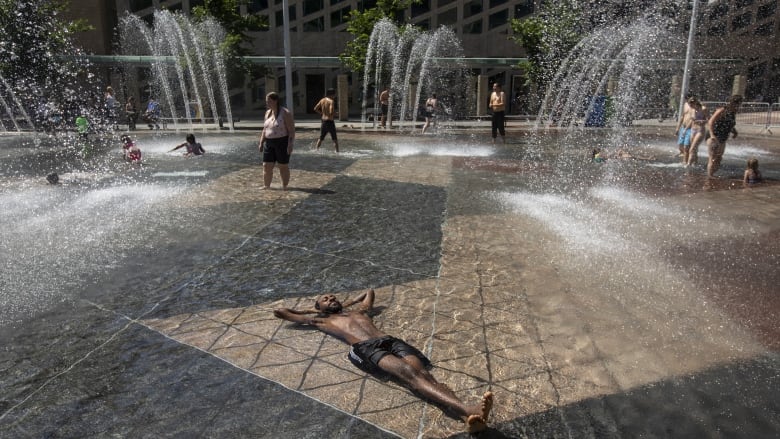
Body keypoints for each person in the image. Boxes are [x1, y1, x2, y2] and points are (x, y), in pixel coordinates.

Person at [273, 289, 494, 433]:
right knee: (411, 376)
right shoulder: (320, 321)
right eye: (325, 299)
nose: (331, 300)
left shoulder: (359, 311)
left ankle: (468, 419)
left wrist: (346, 303)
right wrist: (315, 309)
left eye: (332, 297)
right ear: (318, 307)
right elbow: (281, 312)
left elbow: (369, 292)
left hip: (390, 341)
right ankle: (467, 408)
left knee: (425, 376)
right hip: (367, 348)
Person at [258, 92, 295, 190]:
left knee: (282, 166)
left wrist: (290, 144)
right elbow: (264, 129)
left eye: (269, 101)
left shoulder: (285, 113)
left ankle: (285, 186)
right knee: (266, 165)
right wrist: (261, 142)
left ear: (276, 101)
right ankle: (266, 186)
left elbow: (291, 130)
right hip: (269, 143)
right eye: (266, 101)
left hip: (282, 142)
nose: (267, 103)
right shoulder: (267, 113)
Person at [707, 95, 743, 177]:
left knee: (719, 158)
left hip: (723, 137)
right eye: (738, 104)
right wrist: (712, 135)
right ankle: (710, 177)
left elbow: (729, 124)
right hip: (714, 136)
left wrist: (734, 131)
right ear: (733, 103)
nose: (739, 106)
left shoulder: (733, 113)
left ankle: (712, 174)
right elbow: (710, 122)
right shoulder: (722, 110)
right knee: (712, 158)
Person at [313, 88, 339, 152]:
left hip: (323, 122)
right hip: (330, 122)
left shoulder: (322, 100)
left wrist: (322, 114)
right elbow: (331, 112)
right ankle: (337, 152)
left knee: (321, 138)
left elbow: (315, 108)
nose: (335, 96)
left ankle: (316, 150)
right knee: (334, 139)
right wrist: (336, 114)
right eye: (334, 95)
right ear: (332, 94)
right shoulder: (331, 101)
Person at [686, 99, 708, 167]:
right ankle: (695, 163)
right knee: (695, 149)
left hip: (700, 130)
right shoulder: (692, 110)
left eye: (691, 105)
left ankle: (688, 165)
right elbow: (691, 121)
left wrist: (701, 121)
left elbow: (708, 119)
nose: (690, 106)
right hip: (693, 130)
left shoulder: (703, 109)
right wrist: (685, 130)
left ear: (695, 103)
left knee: (692, 148)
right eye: (690, 105)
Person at [675, 96, 696, 164]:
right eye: (689, 102)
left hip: (690, 129)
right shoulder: (686, 105)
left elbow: (692, 120)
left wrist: (686, 129)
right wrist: (678, 127)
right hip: (683, 128)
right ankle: (687, 156)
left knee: (686, 146)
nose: (690, 103)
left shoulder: (694, 109)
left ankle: (686, 161)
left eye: (692, 102)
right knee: (680, 145)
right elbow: (682, 116)